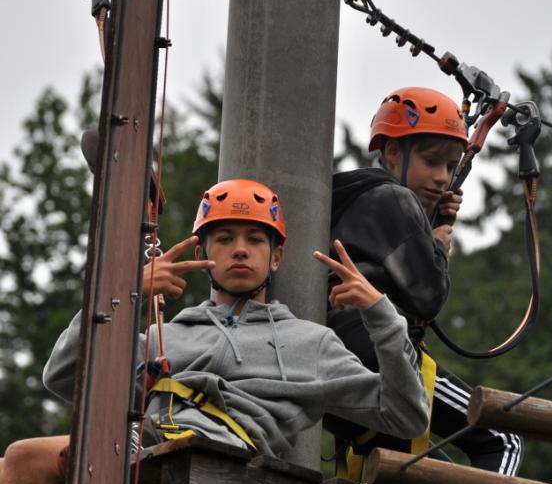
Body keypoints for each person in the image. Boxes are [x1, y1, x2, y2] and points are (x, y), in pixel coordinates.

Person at [43, 178, 429, 458]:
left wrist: (381, 314)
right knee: (19, 462)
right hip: (144, 451)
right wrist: (120, 294)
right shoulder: (164, 336)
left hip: (221, 465)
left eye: (255, 240)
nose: (240, 250)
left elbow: (405, 417)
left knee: (32, 459)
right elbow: (63, 375)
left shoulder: (312, 344)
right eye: (225, 239)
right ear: (203, 253)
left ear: (276, 258)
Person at [325, 87, 523, 484]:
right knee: (501, 440)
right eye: (431, 162)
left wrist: (434, 221)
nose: (441, 178)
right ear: (393, 152)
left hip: (338, 356)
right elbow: (427, 296)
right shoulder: (393, 198)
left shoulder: (348, 199)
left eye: (450, 167)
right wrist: (438, 246)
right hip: (377, 352)